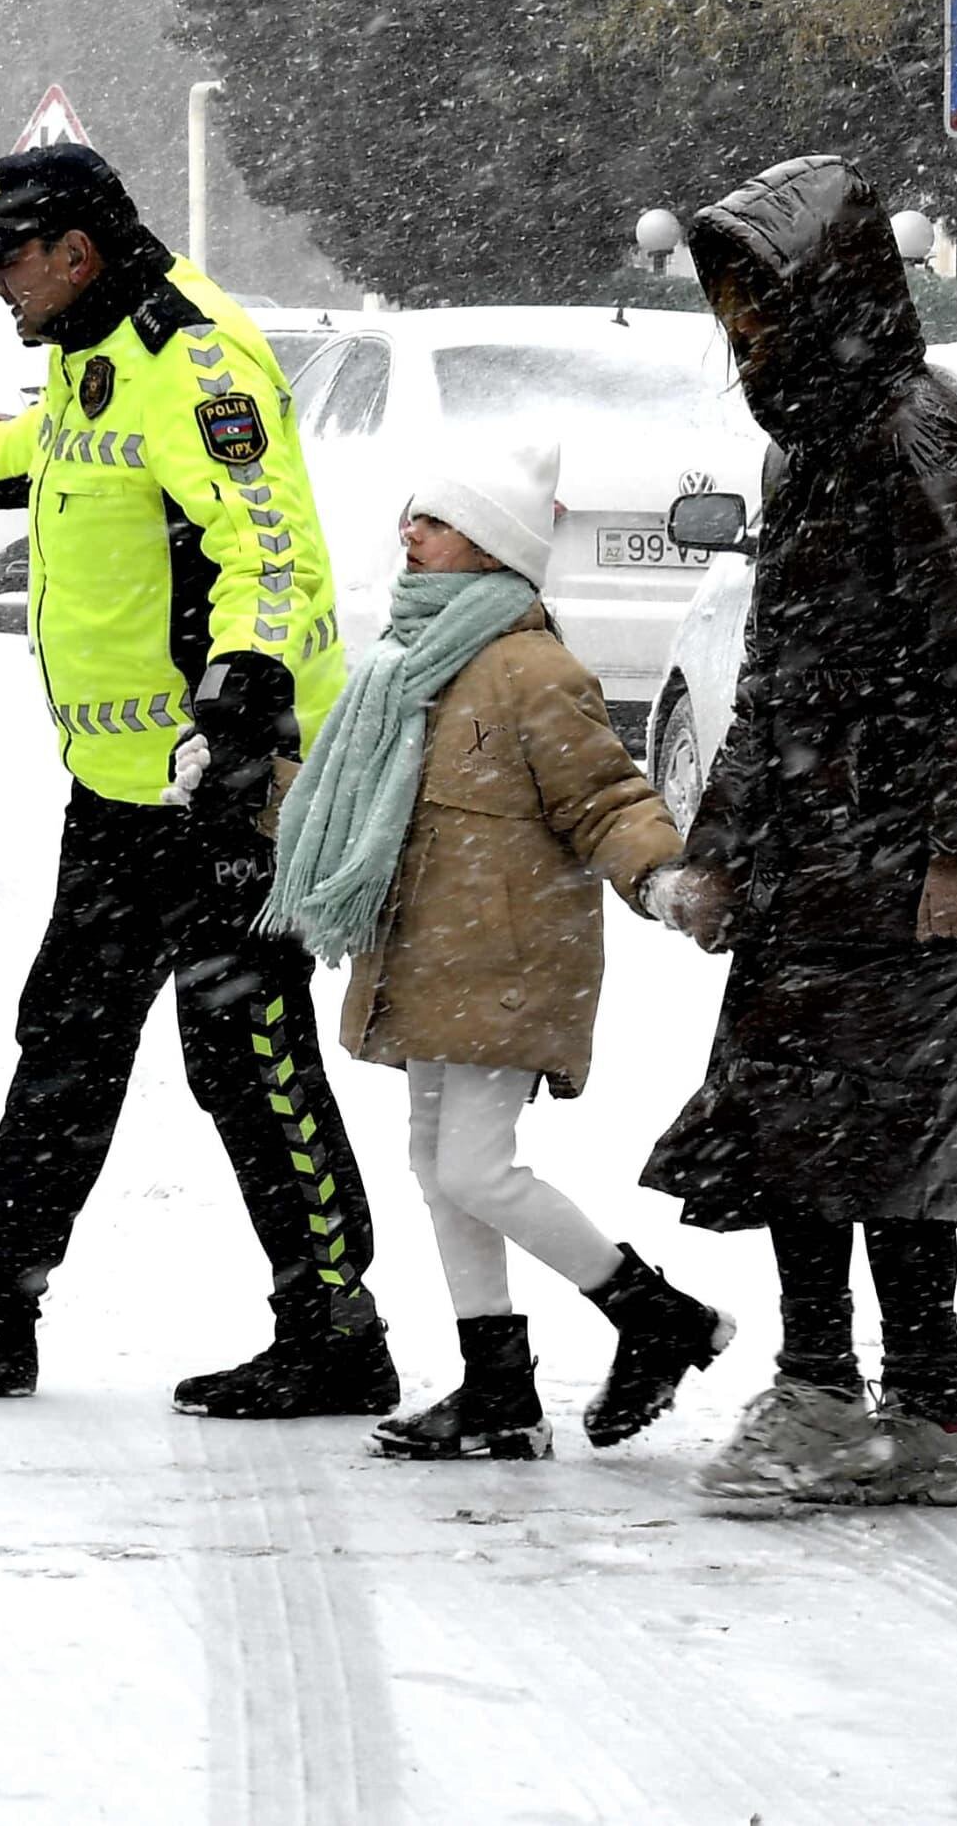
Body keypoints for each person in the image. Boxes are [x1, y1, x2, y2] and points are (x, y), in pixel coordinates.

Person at [0, 143, 394, 1417]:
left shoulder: (194, 360)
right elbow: (70, 455)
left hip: (221, 780)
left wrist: (242, 701)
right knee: (67, 1039)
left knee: (243, 1042)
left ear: (72, 250)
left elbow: (271, 544)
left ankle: (335, 1325)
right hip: (125, 785)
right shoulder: (96, 352)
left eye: (6, 264)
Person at [644, 156, 957, 1510]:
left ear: (827, 290)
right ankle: (870, 1399)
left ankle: (878, 1404)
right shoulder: (812, 442)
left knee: (885, 1139)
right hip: (819, 848)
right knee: (804, 1127)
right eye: (730, 301)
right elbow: (773, 673)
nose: (741, 327)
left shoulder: (917, 434)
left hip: (899, 851)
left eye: (759, 295)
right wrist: (722, 845)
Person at [263, 443, 737, 1460]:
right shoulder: (399, 664)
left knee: (474, 1168)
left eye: (430, 522)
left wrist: (659, 875)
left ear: (487, 547)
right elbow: (352, 798)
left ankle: (652, 1314)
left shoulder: (532, 671)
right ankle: (497, 1391)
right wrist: (251, 783)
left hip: (508, 958)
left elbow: (604, 794)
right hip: (427, 955)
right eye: (409, 517)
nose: (408, 534)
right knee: (439, 1170)